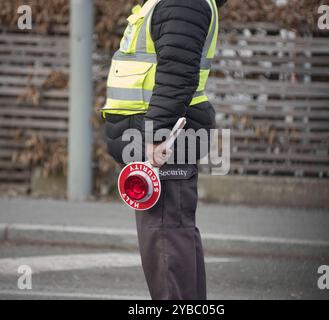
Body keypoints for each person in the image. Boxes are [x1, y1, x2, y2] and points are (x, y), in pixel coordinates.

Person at [100, 0, 227, 300]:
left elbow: (176, 76)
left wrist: (155, 137)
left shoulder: (180, 2)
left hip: (163, 143)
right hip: (161, 138)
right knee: (173, 235)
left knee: (166, 240)